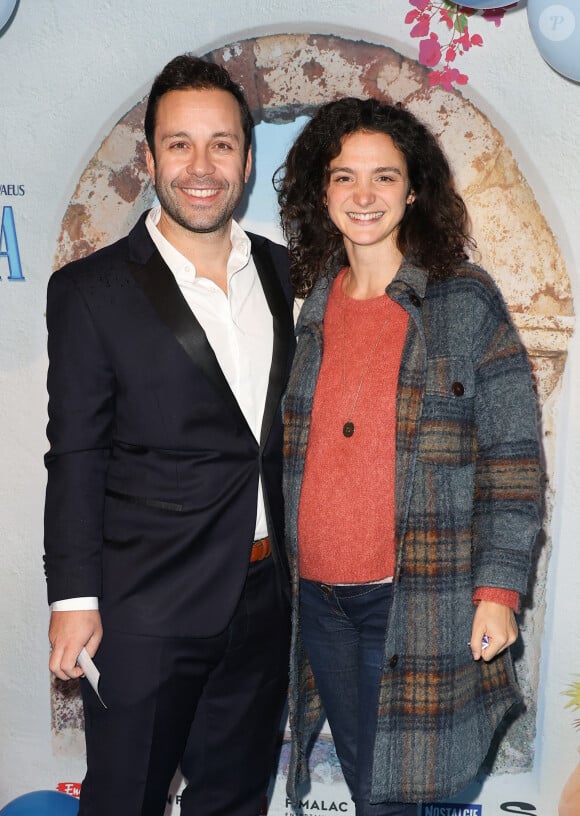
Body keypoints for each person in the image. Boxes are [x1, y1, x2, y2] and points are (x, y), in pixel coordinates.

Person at [44, 54, 295, 816]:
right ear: (150, 158)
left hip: (261, 594)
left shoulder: (287, 274)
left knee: (235, 799)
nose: (201, 165)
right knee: (126, 799)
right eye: (179, 144)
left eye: (221, 144)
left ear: (247, 162)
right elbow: (77, 453)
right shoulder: (91, 290)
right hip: (143, 605)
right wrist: (73, 597)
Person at [276, 97, 542, 815]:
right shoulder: (311, 307)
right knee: (368, 779)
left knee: (399, 793)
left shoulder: (464, 301)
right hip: (318, 599)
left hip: (414, 597)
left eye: (385, 177)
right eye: (344, 178)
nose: (364, 196)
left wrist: (499, 592)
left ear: (414, 188)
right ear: (320, 191)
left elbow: (514, 462)